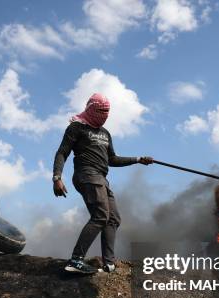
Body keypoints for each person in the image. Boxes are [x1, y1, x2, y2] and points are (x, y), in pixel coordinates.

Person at [52, 93, 153, 274]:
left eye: (107, 111)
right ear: (91, 109)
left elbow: (112, 159)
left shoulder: (105, 134)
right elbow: (62, 152)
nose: (104, 114)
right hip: (86, 174)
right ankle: (75, 260)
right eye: (100, 111)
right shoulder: (77, 127)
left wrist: (138, 159)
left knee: (113, 218)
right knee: (100, 215)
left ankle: (109, 263)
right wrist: (57, 177)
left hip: (101, 178)